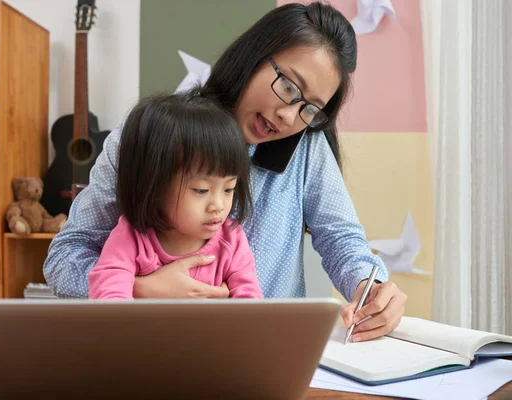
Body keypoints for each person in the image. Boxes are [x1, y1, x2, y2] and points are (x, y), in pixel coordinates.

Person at [44, 2, 407, 342]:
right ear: (254, 55)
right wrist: (140, 289)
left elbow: (342, 240)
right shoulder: (153, 135)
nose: (289, 116)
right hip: (152, 352)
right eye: (288, 87)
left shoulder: (306, 148)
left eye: (310, 109)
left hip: (261, 356)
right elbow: (65, 257)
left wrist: (369, 286)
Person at [88, 93, 262, 300]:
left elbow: (251, 307)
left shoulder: (231, 239)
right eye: (201, 190)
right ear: (154, 185)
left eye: (228, 189)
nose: (218, 206)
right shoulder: (131, 238)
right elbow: (109, 299)